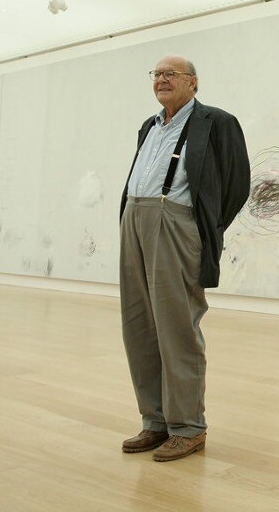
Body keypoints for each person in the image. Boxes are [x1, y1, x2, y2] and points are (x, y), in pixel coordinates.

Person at [118, 54, 250, 462]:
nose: (162, 79)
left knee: (177, 327)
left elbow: (237, 184)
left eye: (171, 74)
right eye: (157, 74)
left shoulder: (217, 122)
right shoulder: (149, 125)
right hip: (135, 219)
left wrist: (200, 227)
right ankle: (155, 421)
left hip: (175, 224)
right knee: (139, 326)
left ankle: (188, 427)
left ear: (193, 82)